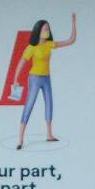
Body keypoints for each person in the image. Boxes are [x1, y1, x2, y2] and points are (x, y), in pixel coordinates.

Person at [12, 14, 77, 150]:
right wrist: (15, 79)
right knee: (29, 104)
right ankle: (20, 139)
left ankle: (49, 134)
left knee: (49, 103)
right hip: (35, 78)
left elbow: (70, 41)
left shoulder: (49, 44)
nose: (47, 31)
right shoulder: (32, 47)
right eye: (45, 29)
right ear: (38, 31)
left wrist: (73, 23)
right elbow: (21, 63)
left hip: (47, 78)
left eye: (48, 29)